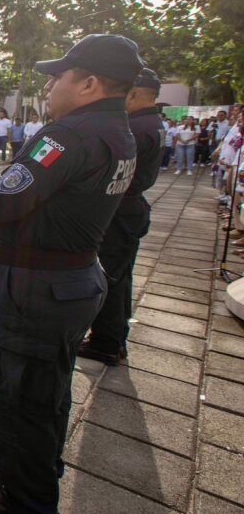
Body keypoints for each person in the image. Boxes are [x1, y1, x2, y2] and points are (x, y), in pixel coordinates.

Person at [0, 34, 141, 514]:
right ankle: (32, 477)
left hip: (37, 290)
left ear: (88, 83)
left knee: (16, 396)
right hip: (70, 278)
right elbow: (47, 208)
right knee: (45, 394)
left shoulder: (65, 136)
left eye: (58, 76)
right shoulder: (118, 131)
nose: (49, 85)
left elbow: (4, 199)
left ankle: (26, 509)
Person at [79, 68, 164, 366]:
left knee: (110, 278)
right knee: (120, 276)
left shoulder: (136, 128)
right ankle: (114, 337)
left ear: (136, 94)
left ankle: (106, 343)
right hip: (130, 207)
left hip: (120, 209)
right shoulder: (150, 123)